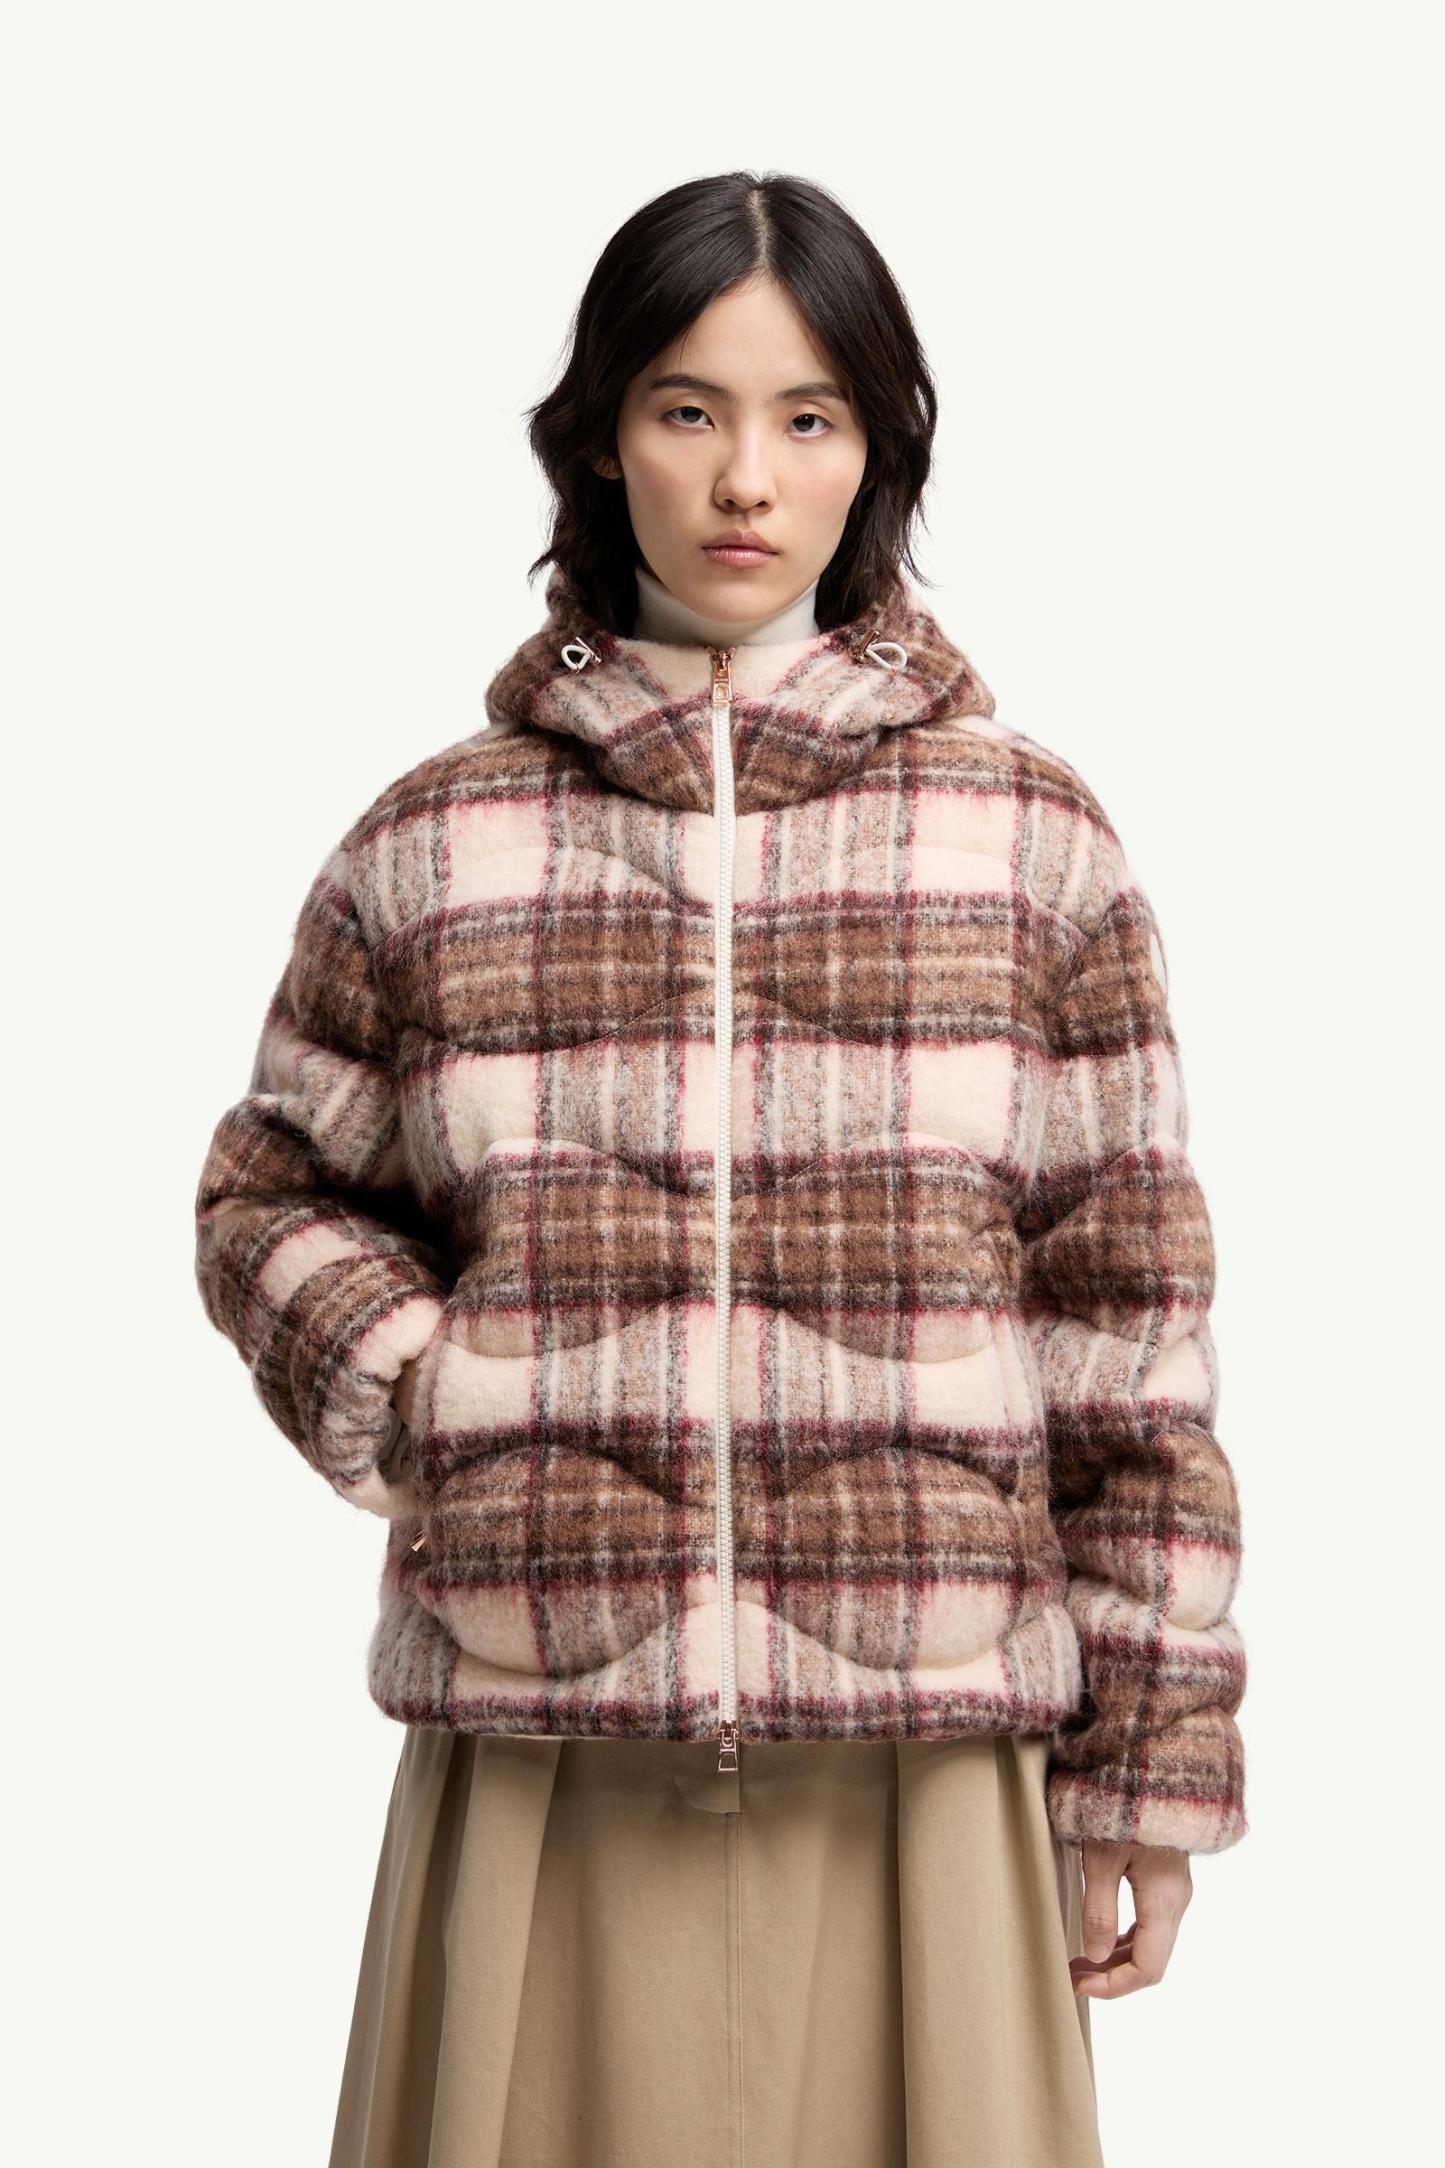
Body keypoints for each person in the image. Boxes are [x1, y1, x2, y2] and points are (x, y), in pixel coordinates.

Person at [193, 170, 1248, 2168]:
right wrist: (438, 1393)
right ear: (603, 436)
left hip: (934, 1751)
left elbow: (1128, 1336)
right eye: (689, 408)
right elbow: (271, 1193)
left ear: (876, 449)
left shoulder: (1030, 844)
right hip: (541, 1738)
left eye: (807, 415)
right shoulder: (439, 843)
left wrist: (1147, 1772)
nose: (746, 477)